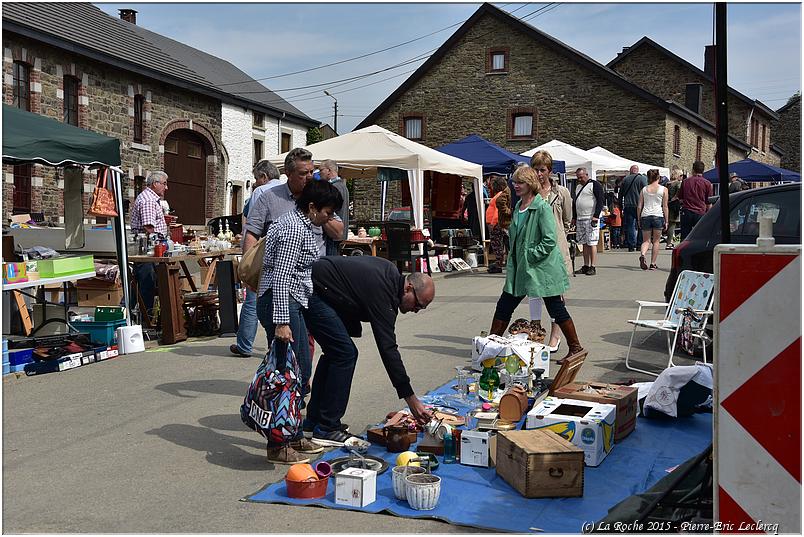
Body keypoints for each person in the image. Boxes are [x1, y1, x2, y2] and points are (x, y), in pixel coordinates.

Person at [301, 256, 436, 446]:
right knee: (345, 354)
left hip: (319, 287)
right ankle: (327, 428)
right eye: (418, 304)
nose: (417, 310)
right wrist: (411, 399)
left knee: (337, 353)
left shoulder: (390, 277)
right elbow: (388, 349)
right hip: (314, 291)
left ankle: (314, 422)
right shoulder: (384, 292)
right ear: (408, 288)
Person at [256, 180, 343, 464]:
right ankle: (278, 445)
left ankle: (292, 436)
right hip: (281, 302)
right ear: (312, 207)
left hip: (289, 300)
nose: (329, 218)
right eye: (327, 212)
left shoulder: (299, 223)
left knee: (298, 371)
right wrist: (282, 322)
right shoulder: (294, 228)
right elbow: (281, 276)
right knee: (288, 376)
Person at [488, 163, 584, 365]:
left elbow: (550, 240)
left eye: (520, 182)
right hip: (521, 269)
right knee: (504, 305)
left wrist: (530, 254)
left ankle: (576, 348)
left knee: (555, 308)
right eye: (514, 181)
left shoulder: (541, 207)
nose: (515, 185)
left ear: (529, 184)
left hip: (541, 268)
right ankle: (490, 346)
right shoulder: (519, 206)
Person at [230, 160, 281, 358]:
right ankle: (273, 348)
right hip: (283, 253)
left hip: (263, 252)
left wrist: (247, 262)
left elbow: (251, 226)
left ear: (263, 177)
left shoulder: (261, 192)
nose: (256, 183)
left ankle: (245, 344)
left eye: (257, 179)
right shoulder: (286, 190)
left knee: (253, 299)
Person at [528, 155, 573, 354]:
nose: (539, 174)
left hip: (556, 248)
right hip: (535, 248)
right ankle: (536, 332)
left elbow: (567, 219)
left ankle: (556, 335)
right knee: (534, 289)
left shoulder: (561, 192)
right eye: (535, 169)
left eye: (542, 170)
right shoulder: (530, 192)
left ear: (550, 170)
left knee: (556, 295)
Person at [130, 171, 169, 316]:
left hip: (148, 247)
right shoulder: (148, 200)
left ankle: (135, 313)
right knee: (147, 282)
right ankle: (146, 316)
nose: (166, 187)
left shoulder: (151, 199)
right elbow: (148, 227)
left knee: (143, 282)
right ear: (155, 184)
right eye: (164, 184)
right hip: (147, 248)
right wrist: (159, 244)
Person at [572, 167, 605, 276]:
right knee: (584, 243)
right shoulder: (578, 187)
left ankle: (593, 266)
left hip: (591, 218)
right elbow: (575, 202)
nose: (580, 179)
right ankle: (586, 265)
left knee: (592, 242)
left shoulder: (594, 185)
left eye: (581, 177)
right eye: (578, 178)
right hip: (581, 218)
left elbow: (600, 200)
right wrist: (574, 217)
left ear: (587, 175)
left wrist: (596, 216)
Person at [637, 169, 669, 271]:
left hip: (645, 215)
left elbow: (639, 206)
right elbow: (665, 206)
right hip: (657, 215)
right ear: (658, 177)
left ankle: (642, 254)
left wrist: (638, 219)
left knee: (646, 240)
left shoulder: (644, 189)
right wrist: (666, 220)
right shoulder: (663, 189)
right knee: (656, 241)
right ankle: (653, 263)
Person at [318, 159, 349, 255]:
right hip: (338, 233)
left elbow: (329, 211)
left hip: (332, 233)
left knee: (329, 264)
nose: (319, 173)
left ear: (328, 171)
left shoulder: (334, 188)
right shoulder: (343, 186)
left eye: (321, 170)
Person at [678, 160, 713, 239]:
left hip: (687, 211)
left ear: (693, 170)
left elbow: (680, 198)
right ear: (703, 171)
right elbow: (708, 202)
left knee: (685, 236)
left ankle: (684, 251)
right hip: (700, 211)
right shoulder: (707, 183)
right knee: (700, 236)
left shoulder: (685, 182)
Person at [619, 165, 648, 252]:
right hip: (640, 205)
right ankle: (639, 244)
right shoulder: (642, 179)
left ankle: (631, 245)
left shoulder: (625, 179)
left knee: (630, 225)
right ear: (637, 170)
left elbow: (621, 194)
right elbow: (646, 191)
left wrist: (620, 205)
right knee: (641, 225)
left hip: (628, 205)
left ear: (630, 171)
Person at [486, 176, 512, 274]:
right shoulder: (501, 195)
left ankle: (499, 264)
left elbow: (498, 211)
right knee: (505, 244)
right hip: (499, 224)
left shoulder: (500, 196)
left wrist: (493, 223)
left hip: (497, 224)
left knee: (497, 245)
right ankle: (502, 263)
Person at [665, 165, 683, 250]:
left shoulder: (667, 183)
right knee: (672, 224)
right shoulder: (677, 183)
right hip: (674, 205)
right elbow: (679, 194)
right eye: (681, 175)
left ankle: (670, 241)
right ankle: (669, 242)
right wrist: (674, 198)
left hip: (667, 205)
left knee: (669, 223)